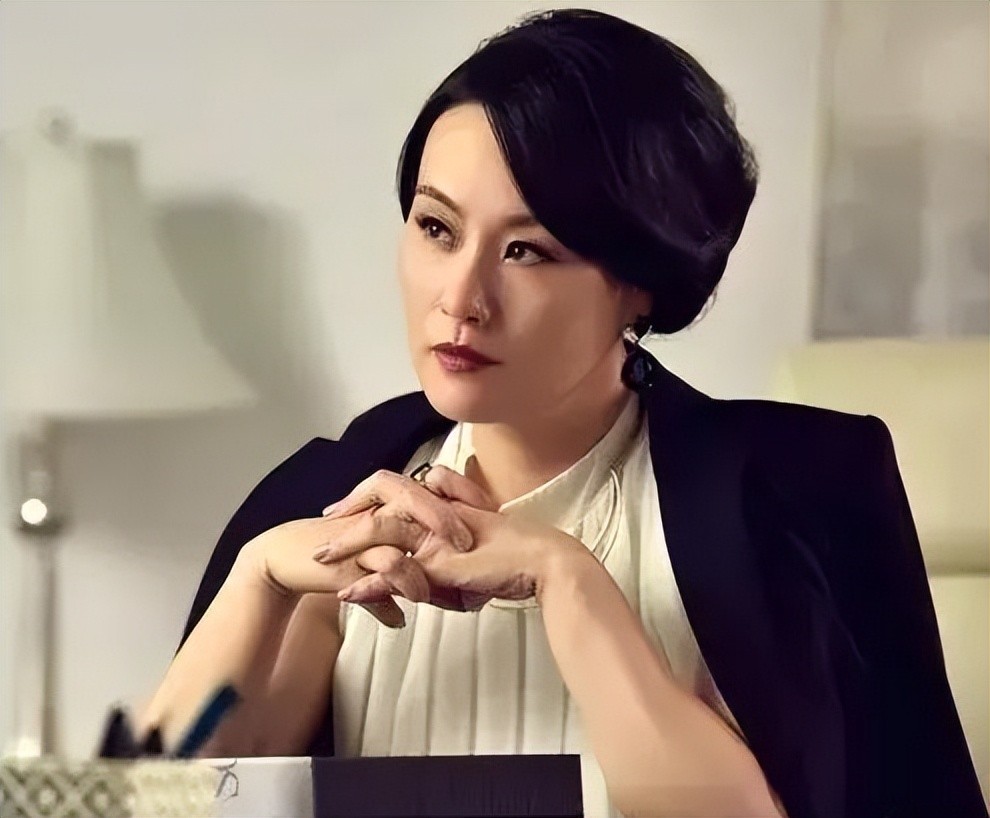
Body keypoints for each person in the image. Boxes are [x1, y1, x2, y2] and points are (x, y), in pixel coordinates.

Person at [141, 8, 987, 818]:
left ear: (640, 280)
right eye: (437, 228)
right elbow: (159, 803)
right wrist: (257, 576)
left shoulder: (804, 492)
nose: (461, 299)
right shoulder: (328, 496)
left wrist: (564, 578)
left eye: (526, 251)